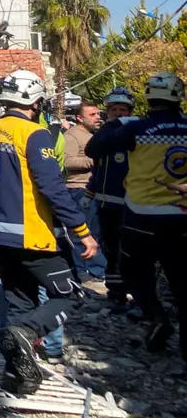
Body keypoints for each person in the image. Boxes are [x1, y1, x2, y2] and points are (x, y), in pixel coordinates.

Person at [0, 70, 98, 395]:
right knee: (70, 295)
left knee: (20, 299)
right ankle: (27, 333)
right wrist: (82, 230)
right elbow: (53, 188)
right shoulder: (34, 133)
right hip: (32, 235)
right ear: (36, 102)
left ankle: (19, 377)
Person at [87, 72, 187, 362]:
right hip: (181, 217)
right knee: (182, 282)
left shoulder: (137, 128)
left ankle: (156, 316)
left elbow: (94, 149)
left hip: (142, 215)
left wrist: (117, 122)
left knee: (134, 272)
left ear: (147, 97)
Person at [86, 87, 136, 310]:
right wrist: (90, 191)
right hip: (106, 202)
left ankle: (136, 292)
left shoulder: (136, 131)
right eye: (113, 109)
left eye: (122, 109)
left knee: (131, 250)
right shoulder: (105, 132)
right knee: (110, 249)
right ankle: (115, 292)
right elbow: (94, 156)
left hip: (132, 202)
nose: (117, 113)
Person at [63, 100, 109, 283]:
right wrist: (94, 161)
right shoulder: (73, 136)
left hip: (94, 189)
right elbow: (67, 161)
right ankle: (86, 271)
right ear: (79, 118)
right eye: (93, 114)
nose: (98, 117)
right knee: (83, 232)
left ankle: (96, 269)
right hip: (78, 189)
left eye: (98, 114)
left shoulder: (94, 135)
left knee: (96, 231)